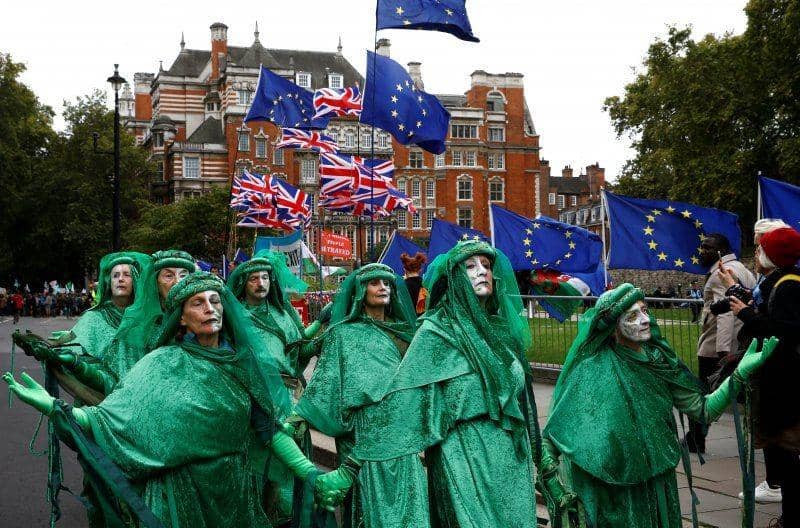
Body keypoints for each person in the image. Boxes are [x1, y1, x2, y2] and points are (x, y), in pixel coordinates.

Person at [3, 272, 348, 527]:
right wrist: (55, 408)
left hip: (234, 493)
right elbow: (111, 419)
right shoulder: (161, 364)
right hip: (177, 496)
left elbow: (268, 430)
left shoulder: (244, 367)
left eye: (215, 301)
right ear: (182, 318)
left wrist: (309, 473)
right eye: (198, 303)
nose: (210, 309)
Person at [541, 283, 777, 528]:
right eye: (632, 316)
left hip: (656, 483)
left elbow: (703, 410)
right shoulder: (590, 370)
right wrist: (551, 480)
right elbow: (555, 436)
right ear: (612, 328)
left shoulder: (660, 362)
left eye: (645, 311)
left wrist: (739, 375)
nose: (644, 320)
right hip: (610, 493)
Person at [352, 240, 541, 527]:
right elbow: (403, 400)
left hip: (511, 457)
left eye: (487, 266)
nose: (482, 272)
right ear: (454, 279)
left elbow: (523, 401)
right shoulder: (436, 332)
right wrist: (351, 463)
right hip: (462, 452)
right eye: (470, 267)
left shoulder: (504, 335)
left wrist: (545, 462)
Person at [294, 263, 430, 528]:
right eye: (374, 283)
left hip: (399, 431)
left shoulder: (406, 334)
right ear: (359, 291)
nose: (382, 288)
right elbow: (325, 385)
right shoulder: (342, 334)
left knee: (408, 506)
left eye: (387, 283)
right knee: (366, 508)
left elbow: (419, 384)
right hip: (359, 432)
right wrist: (299, 418)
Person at [226, 250, 325, 525]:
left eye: (265, 277)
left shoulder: (284, 314)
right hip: (250, 398)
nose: (261, 283)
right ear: (243, 283)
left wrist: (321, 330)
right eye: (254, 278)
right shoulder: (232, 317)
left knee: (286, 474)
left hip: (288, 396)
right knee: (256, 469)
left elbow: (299, 355)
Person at [728, 227, 800, 527]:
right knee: (781, 451)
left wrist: (746, 314)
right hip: (779, 380)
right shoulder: (778, 283)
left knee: (787, 453)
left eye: (761, 249)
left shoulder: (789, 286)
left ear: (771, 256)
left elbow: (782, 331)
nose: (756, 254)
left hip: (786, 382)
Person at [687, 233, 755, 453]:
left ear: (720, 251)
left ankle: (696, 439)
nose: (701, 251)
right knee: (739, 391)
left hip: (715, 345)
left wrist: (722, 350)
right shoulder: (743, 269)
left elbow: (725, 312)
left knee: (701, 394)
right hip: (739, 343)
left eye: (706, 247)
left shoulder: (720, 274)